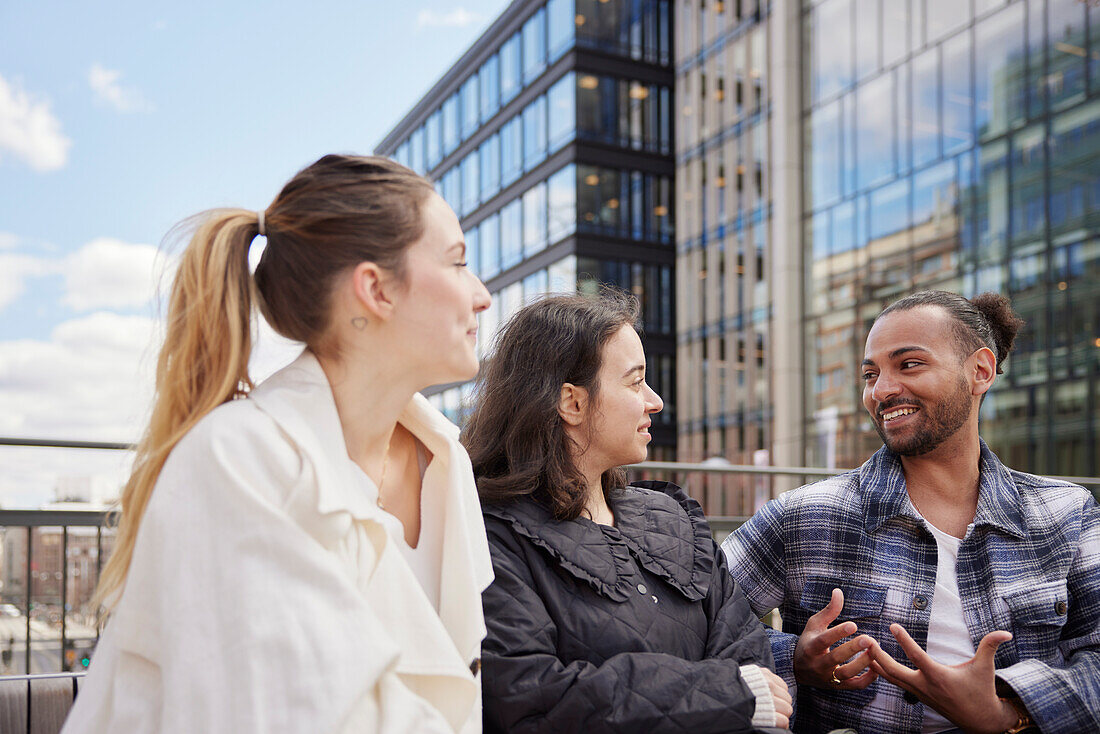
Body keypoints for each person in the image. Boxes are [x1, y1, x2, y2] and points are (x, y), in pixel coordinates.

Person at [62, 155, 494, 733]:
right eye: (458, 263)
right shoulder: (237, 461)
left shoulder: (445, 461)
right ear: (376, 290)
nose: (483, 294)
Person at [723, 290, 1100, 734]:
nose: (880, 391)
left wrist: (1009, 710)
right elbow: (694, 625)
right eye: (870, 374)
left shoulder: (1067, 513)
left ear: (981, 371)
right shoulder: (805, 514)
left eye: (909, 364)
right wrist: (794, 659)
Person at [462, 291, 792, 733]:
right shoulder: (492, 534)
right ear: (571, 402)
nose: (654, 401)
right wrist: (727, 694)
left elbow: (754, 664)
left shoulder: (673, 518)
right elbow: (529, 699)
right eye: (635, 382)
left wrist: (738, 693)